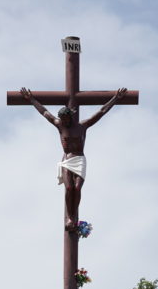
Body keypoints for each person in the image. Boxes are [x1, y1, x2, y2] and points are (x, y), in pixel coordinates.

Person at [19, 86, 127, 230]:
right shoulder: (59, 125)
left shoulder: (82, 126)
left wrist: (115, 98)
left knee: (77, 189)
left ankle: (73, 215)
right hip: (66, 160)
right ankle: (70, 218)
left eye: (65, 119)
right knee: (69, 188)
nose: (63, 121)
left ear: (70, 117)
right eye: (61, 119)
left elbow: (101, 112)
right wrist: (31, 99)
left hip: (80, 160)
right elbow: (45, 112)